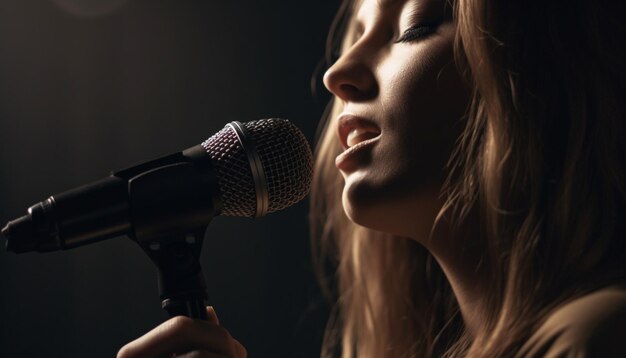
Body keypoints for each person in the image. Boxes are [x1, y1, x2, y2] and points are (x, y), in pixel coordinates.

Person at [118, 0, 626, 356]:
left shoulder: (594, 337)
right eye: (356, 33)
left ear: (533, 71)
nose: (338, 72)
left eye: (413, 25)